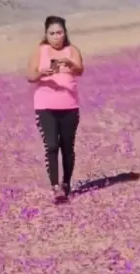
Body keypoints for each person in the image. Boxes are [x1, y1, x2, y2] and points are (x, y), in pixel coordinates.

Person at [26, 15, 84, 201]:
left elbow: (80, 70)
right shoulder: (40, 51)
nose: (56, 36)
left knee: (68, 147)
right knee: (51, 146)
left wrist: (70, 64)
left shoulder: (72, 50)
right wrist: (41, 73)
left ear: (65, 33)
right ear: (46, 34)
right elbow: (30, 76)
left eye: (59, 32)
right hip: (45, 107)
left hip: (69, 106)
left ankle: (66, 182)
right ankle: (55, 186)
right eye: (52, 33)